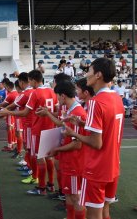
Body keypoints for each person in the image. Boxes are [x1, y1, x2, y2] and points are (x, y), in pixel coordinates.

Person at [62, 58, 124, 219]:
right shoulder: (117, 98)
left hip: (97, 167)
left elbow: (96, 143)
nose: (85, 74)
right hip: (113, 164)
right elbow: (108, 128)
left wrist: (73, 133)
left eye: (88, 70)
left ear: (98, 75)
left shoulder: (96, 102)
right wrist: (83, 123)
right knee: (105, 211)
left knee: (94, 214)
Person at [41, 80, 87, 219]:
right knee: (68, 193)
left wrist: (57, 149)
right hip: (68, 160)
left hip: (74, 162)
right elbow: (61, 123)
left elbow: (77, 144)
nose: (56, 100)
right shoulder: (70, 110)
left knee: (75, 196)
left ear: (62, 96)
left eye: (57, 96)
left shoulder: (77, 113)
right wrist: (47, 113)